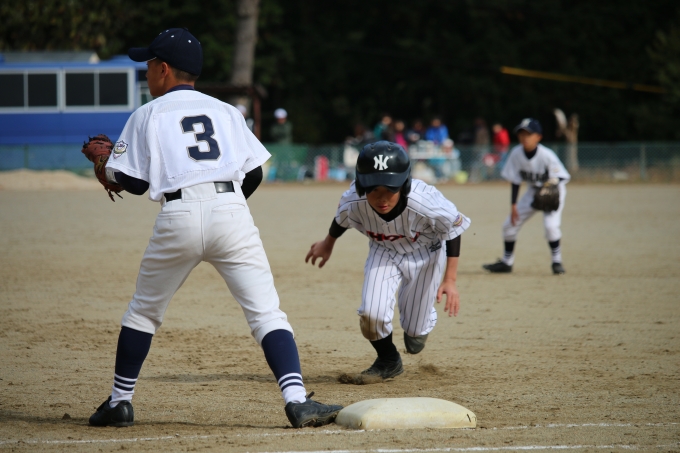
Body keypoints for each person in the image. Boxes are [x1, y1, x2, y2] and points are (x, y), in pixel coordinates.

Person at [88, 28, 342, 429]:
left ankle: (120, 402)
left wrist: (107, 170)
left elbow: (134, 183)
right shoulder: (226, 112)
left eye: (149, 65)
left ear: (164, 69)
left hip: (178, 214)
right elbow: (254, 173)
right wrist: (227, 206)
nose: (147, 72)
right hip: (231, 211)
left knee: (144, 313)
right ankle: (296, 400)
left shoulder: (147, 114)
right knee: (266, 313)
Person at [305, 141, 470, 379]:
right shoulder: (354, 200)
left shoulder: (424, 202)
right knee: (371, 314)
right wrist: (327, 243)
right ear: (361, 185)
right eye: (373, 189)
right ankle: (388, 360)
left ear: (404, 184)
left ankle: (419, 326)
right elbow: (341, 219)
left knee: (415, 331)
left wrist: (450, 280)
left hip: (426, 253)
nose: (382, 199)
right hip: (384, 251)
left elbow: (453, 229)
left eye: (390, 189)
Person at [482, 118, 570, 275]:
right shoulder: (516, 153)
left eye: (528, 134)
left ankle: (557, 261)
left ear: (538, 137)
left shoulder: (547, 155)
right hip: (532, 191)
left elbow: (561, 176)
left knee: (551, 226)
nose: (524, 137)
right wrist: (513, 205)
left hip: (553, 192)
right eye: (521, 134)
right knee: (509, 225)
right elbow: (515, 180)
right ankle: (507, 262)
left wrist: (549, 185)